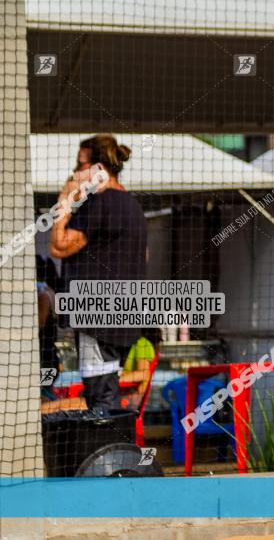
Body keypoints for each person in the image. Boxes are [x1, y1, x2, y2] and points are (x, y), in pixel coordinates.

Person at [49, 135, 147, 412]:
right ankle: (114, 449)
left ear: (99, 169)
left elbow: (58, 245)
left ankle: (110, 453)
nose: (75, 173)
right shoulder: (133, 207)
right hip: (124, 316)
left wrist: (65, 201)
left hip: (97, 316)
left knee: (100, 396)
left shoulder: (99, 204)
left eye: (81, 166)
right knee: (107, 389)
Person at [120, 327, 160, 409]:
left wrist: (113, 380)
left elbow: (143, 374)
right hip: (119, 394)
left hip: (126, 399)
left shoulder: (142, 343)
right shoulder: (129, 343)